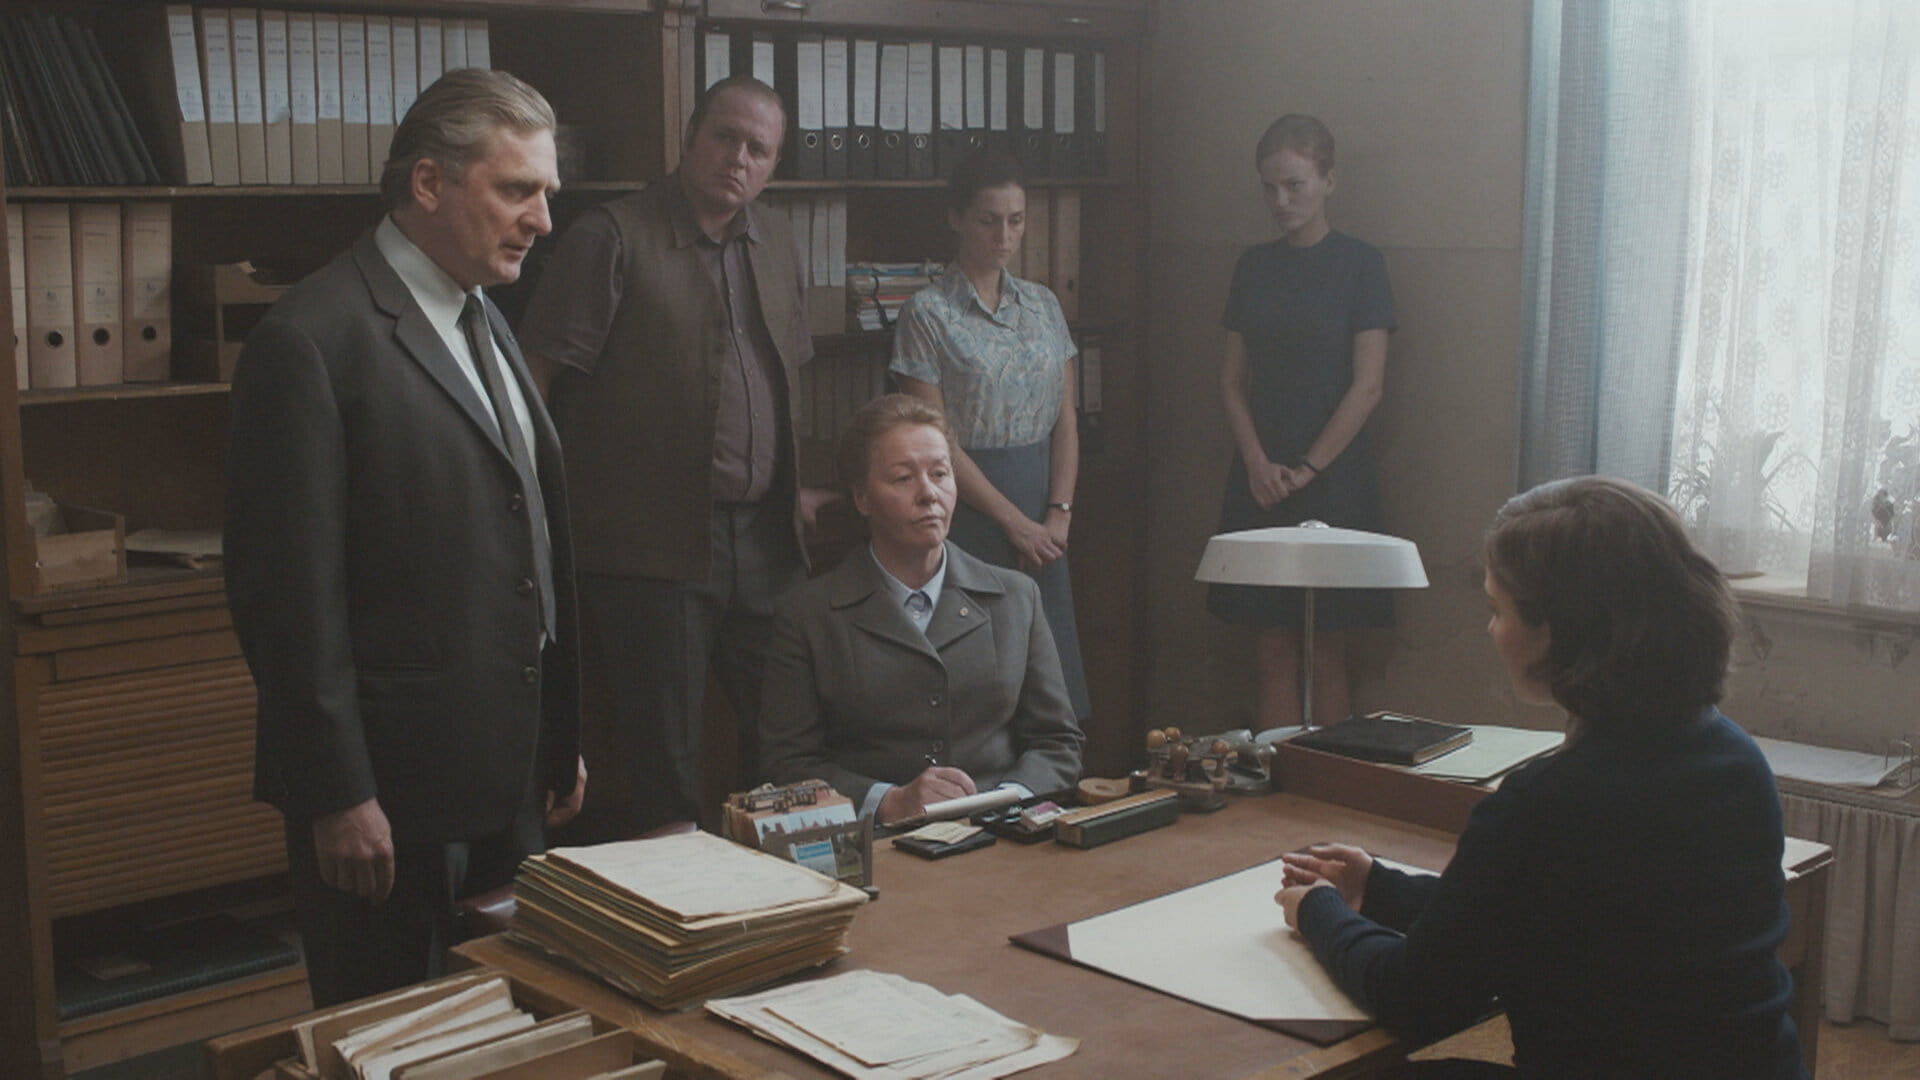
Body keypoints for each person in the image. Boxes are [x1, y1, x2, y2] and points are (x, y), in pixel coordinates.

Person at [225, 69, 584, 1006]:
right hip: (389, 797)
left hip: (508, 777)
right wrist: (335, 792)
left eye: (547, 191)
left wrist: (558, 737)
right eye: (518, 190)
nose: (543, 220)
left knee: (510, 1034)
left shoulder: (485, 312)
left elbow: (524, 538)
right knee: (388, 1040)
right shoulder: (310, 339)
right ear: (429, 183)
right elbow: (287, 601)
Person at [1276, 477, 1806, 1079]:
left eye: (1497, 610)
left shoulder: (1547, 802)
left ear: (1558, 630)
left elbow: (1414, 997)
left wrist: (1318, 912)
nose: (1491, 630)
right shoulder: (1736, 759)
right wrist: (1379, 888)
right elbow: (1545, 907)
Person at [516, 75, 834, 834]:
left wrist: (794, 485)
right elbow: (532, 378)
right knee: (665, 753)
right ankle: (682, 894)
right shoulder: (612, 236)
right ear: (690, 137)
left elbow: (784, 379)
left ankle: (772, 882)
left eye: (758, 148)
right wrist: (530, 512)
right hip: (650, 545)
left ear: (774, 165)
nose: (738, 158)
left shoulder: (778, 241)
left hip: (767, 538)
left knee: (786, 731)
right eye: (725, 137)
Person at [759, 395, 1084, 825]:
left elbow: (1058, 743)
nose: (929, 493)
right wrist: (886, 801)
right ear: (862, 498)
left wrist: (1006, 801)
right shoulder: (808, 614)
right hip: (877, 842)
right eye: (903, 478)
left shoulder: (1016, 598)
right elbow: (786, 763)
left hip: (1001, 833)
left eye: (940, 474)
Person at [890, 148, 1092, 722]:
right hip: (967, 509)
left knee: (1050, 686)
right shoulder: (927, 314)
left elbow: (1065, 418)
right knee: (978, 685)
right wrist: (1013, 522)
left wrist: (1058, 515)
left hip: (1044, 513)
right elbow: (934, 437)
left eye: (1016, 220)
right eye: (988, 220)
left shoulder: (1044, 305)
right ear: (956, 218)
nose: (1004, 236)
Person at [1212, 114, 1396, 731]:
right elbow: (1231, 382)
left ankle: (1328, 775)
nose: (1281, 201)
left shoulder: (1361, 264)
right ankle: (1277, 775)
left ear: (1328, 181)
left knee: (1327, 648)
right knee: (1271, 645)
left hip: (1335, 474)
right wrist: (1257, 464)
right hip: (1261, 473)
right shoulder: (1253, 266)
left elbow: (1369, 385)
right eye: (1270, 188)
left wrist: (1310, 467)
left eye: (1294, 185)